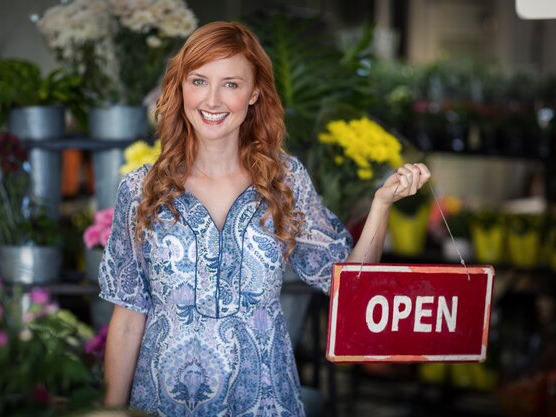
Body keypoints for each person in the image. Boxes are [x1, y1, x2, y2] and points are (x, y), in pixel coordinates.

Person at [99, 21, 431, 416]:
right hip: (161, 404)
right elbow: (127, 318)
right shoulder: (141, 189)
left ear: (255, 92)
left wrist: (380, 205)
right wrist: (111, 412)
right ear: (180, 87)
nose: (213, 99)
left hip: (263, 403)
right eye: (200, 81)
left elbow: (351, 283)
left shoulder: (284, 181)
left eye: (231, 84)